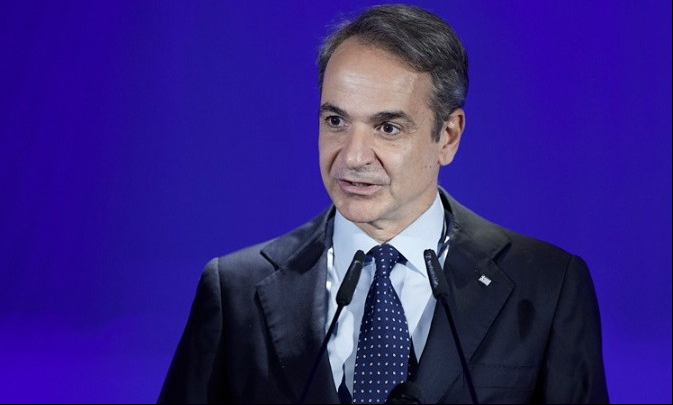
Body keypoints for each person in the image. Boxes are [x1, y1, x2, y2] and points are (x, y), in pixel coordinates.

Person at [158, 4, 609, 404]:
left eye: (388, 128)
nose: (353, 157)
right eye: (335, 120)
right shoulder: (235, 291)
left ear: (448, 137)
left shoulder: (547, 287)